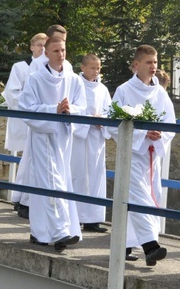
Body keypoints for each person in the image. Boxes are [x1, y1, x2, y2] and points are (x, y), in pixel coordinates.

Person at [111, 44, 176, 266]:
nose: (153, 67)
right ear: (136, 65)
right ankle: (151, 246)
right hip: (133, 153)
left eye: (155, 63)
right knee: (139, 196)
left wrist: (161, 134)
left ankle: (127, 245)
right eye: (148, 62)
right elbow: (114, 124)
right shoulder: (124, 90)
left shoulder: (160, 93)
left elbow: (170, 123)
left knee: (150, 196)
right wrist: (140, 133)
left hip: (152, 155)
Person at [19, 36, 85, 252]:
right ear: (46, 53)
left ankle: (40, 232)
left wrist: (69, 110)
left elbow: (81, 107)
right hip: (43, 136)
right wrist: (52, 110)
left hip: (63, 137)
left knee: (56, 182)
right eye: (56, 51)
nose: (61, 54)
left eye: (63, 50)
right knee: (51, 181)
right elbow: (26, 108)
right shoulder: (36, 79)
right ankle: (60, 231)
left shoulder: (73, 79)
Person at [3, 33, 47, 210]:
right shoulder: (21, 67)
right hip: (25, 118)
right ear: (32, 47)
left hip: (42, 118)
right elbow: (12, 93)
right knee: (26, 160)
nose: (42, 49)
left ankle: (30, 199)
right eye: (39, 45)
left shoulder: (48, 69)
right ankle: (20, 198)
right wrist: (32, 104)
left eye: (45, 46)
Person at [73, 53, 112, 233]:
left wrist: (103, 120)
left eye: (98, 68)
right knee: (79, 176)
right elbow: (72, 109)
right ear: (83, 68)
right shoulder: (75, 85)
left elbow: (110, 110)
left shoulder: (103, 89)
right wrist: (89, 119)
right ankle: (76, 216)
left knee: (96, 177)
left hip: (96, 137)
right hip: (80, 137)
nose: (96, 71)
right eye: (92, 68)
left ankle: (93, 219)